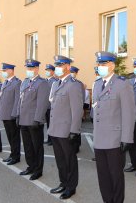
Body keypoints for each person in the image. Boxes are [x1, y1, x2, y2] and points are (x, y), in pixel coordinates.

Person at [92, 51, 135, 203]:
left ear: (112, 65)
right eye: (99, 64)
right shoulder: (97, 84)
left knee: (116, 176)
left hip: (115, 140)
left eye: (103, 64)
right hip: (99, 139)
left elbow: (129, 113)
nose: (100, 67)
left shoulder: (122, 84)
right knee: (102, 175)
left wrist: (126, 138)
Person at [48, 55, 83, 200]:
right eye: (56, 65)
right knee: (60, 160)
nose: (57, 68)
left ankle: (71, 187)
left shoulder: (73, 85)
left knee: (69, 159)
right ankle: (63, 182)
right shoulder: (56, 84)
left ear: (68, 67)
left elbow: (77, 110)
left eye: (60, 65)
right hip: (55, 129)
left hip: (66, 130)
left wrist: (74, 130)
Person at [17, 59, 50, 181]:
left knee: (37, 147)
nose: (29, 71)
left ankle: (38, 170)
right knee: (27, 146)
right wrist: (17, 115)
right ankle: (30, 166)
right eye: (27, 68)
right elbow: (20, 101)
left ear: (37, 69)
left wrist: (38, 119)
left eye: (31, 68)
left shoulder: (42, 83)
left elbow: (42, 103)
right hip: (24, 119)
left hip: (34, 121)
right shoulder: (25, 82)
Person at [0, 63, 21, 165]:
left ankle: (16, 156)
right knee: (9, 136)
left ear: (11, 71)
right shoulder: (5, 83)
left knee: (14, 137)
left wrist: (14, 114)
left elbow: (17, 100)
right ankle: (12, 154)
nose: (3, 72)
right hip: (5, 114)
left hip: (11, 116)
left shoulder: (16, 83)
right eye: (3, 71)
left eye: (5, 70)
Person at [70, 66, 84, 153]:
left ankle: (77, 145)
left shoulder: (79, 84)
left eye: (73, 72)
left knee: (76, 128)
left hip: (76, 108)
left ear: (76, 73)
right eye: (70, 72)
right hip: (67, 110)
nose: (72, 74)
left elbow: (81, 97)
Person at [44, 64, 57, 146]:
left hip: (51, 106)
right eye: (46, 70)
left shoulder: (54, 81)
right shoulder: (45, 81)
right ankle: (49, 139)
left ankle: (52, 140)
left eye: (49, 70)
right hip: (46, 106)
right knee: (48, 124)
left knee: (51, 124)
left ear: (52, 71)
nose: (47, 72)